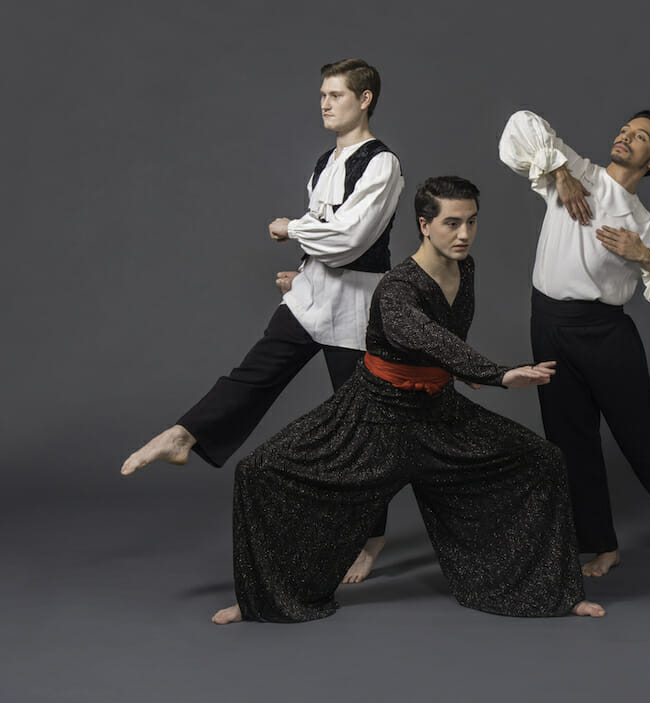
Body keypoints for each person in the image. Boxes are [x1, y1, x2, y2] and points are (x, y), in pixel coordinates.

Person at [199, 176, 604, 624]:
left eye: (471, 222)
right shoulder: (396, 287)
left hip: (439, 415)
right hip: (373, 416)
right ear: (424, 224)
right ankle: (257, 600)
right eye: (452, 223)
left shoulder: (463, 268)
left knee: (541, 460)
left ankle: (556, 594)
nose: (464, 234)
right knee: (260, 471)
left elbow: (446, 338)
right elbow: (423, 334)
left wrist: (456, 369)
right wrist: (497, 374)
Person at [120, 59, 403, 582]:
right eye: (321, 93)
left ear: (364, 100)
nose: (324, 102)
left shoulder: (382, 163)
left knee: (362, 422)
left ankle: (371, 536)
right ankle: (186, 434)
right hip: (312, 294)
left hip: (358, 307)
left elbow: (349, 239)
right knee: (254, 373)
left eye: (336, 94)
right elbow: (327, 237)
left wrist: (290, 228)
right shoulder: (322, 161)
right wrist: (302, 273)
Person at [499, 110, 650, 577]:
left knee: (645, 436)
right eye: (625, 129)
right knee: (568, 440)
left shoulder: (641, 222)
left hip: (604, 333)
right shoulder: (576, 170)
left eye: (640, 138)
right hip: (548, 322)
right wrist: (559, 174)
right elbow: (519, 125)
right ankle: (601, 546)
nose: (625, 137)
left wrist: (646, 257)